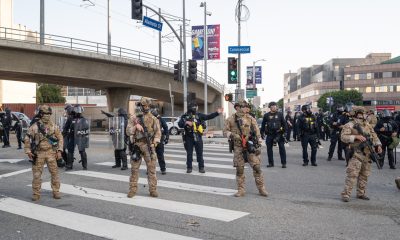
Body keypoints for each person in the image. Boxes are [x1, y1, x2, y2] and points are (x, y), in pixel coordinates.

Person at [223, 100, 268, 197]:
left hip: (250, 146)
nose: (245, 108)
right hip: (238, 146)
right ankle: (241, 190)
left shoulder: (250, 118)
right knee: (240, 169)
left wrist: (259, 145)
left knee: (257, 167)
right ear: (237, 107)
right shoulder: (230, 119)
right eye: (243, 106)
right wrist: (232, 135)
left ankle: (261, 188)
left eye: (246, 106)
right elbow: (225, 132)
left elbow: (257, 133)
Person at [340, 106, 382, 202]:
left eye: (363, 113)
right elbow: (343, 137)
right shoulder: (349, 125)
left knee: (364, 175)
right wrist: (355, 136)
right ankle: (346, 194)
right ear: (355, 114)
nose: (362, 115)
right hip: (356, 153)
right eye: (360, 113)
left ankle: (361, 193)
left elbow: (374, 136)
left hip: (367, 153)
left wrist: (378, 145)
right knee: (352, 175)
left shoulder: (367, 125)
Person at [24, 105, 63, 201]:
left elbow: (60, 138)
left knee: (54, 173)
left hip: (51, 153)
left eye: (49, 114)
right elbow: (27, 138)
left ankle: (56, 191)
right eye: (45, 114)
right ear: (41, 114)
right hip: (39, 153)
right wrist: (28, 150)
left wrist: (59, 150)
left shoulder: (54, 126)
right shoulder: (35, 126)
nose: (47, 116)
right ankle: (36, 193)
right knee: (37, 175)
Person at [126, 97, 161, 198]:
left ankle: (153, 190)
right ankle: (132, 189)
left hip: (149, 146)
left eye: (147, 105)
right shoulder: (134, 118)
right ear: (140, 106)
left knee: (151, 170)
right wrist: (135, 127)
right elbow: (127, 132)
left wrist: (154, 143)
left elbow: (158, 133)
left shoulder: (153, 118)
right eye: (144, 105)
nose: (146, 107)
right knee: (134, 169)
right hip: (137, 146)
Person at [178, 102, 223, 173]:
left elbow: (208, 116)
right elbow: (180, 124)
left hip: (198, 137)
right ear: (194, 108)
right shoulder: (185, 116)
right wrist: (186, 122)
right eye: (196, 107)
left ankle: (201, 167)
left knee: (199, 153)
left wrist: (217, 113)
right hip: (188, 137)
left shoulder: (199, 115)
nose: (197, 108)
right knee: (189, 153)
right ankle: (189, 167)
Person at [260, 102, 287, 168]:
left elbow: (284, 124)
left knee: (282, 148)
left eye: (275, 106)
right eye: (273, 106)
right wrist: (262, 133)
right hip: (270, 134)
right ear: (270, 107)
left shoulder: (280, 114)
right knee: (269, 149)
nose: (275, 107)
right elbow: (263, 125)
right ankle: (271, 163)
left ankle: (283, 163)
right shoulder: (266, 115)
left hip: (279, 134)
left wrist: (285, 132)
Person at [64, 105, 90, 170]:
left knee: (82, 150)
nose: (78, 111)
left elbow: (86, 129)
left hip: (80, 136)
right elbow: (66, 128)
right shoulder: (71, 118)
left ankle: (85, 165)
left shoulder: (83, 119)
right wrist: (65, 134)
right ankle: (70, 165)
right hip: (72, 136)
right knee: (70, 150)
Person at [151, 107, 169, 175]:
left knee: (160, 155)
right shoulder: (149, 119)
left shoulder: (160, 119)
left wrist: (167, 137)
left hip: (159, 139)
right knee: (151, 155)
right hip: (151, 139)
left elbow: (166, 127)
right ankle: (150, 169)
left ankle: (163, 169)